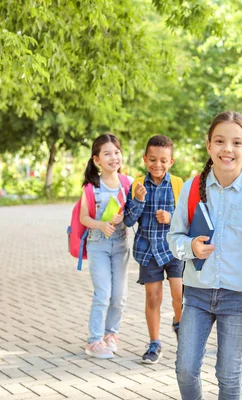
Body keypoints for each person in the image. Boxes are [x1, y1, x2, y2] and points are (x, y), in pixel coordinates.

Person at [168, 111, 242, 399]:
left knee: (229, 376)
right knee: (185, 368)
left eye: (236, 142)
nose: (227, 149)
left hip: (238, 297)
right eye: (219, 141)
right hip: (197, 293)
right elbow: (174, 236)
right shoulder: (193, 188)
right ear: (208, 145)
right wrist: (190, 247)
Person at [124, 135, 184, 364]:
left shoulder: (178, 184)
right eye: (152, 159)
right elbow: (128, 222)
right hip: (148, 251)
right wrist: (138, 201)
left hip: (173, 250)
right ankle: (155, 343)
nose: (157, 165)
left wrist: (171, 218)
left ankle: (180, 328)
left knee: (179, 295)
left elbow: (187, 220)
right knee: (153, 297)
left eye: (163, 160)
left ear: (171, 161)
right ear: (144, 159)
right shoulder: (137, 184)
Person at [79, 133, 131, 359]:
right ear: (97, 159)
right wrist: (101, 225)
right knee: (103, 293)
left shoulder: (127, 183)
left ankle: (111, 335)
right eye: (107, 153)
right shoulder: (91, 187)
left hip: (120, 245)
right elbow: (83, 218)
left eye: (117, 152)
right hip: (98, 245)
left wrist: (125, 216)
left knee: (119, 295)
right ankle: (93, 341)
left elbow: (133, 212)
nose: (114, 157)